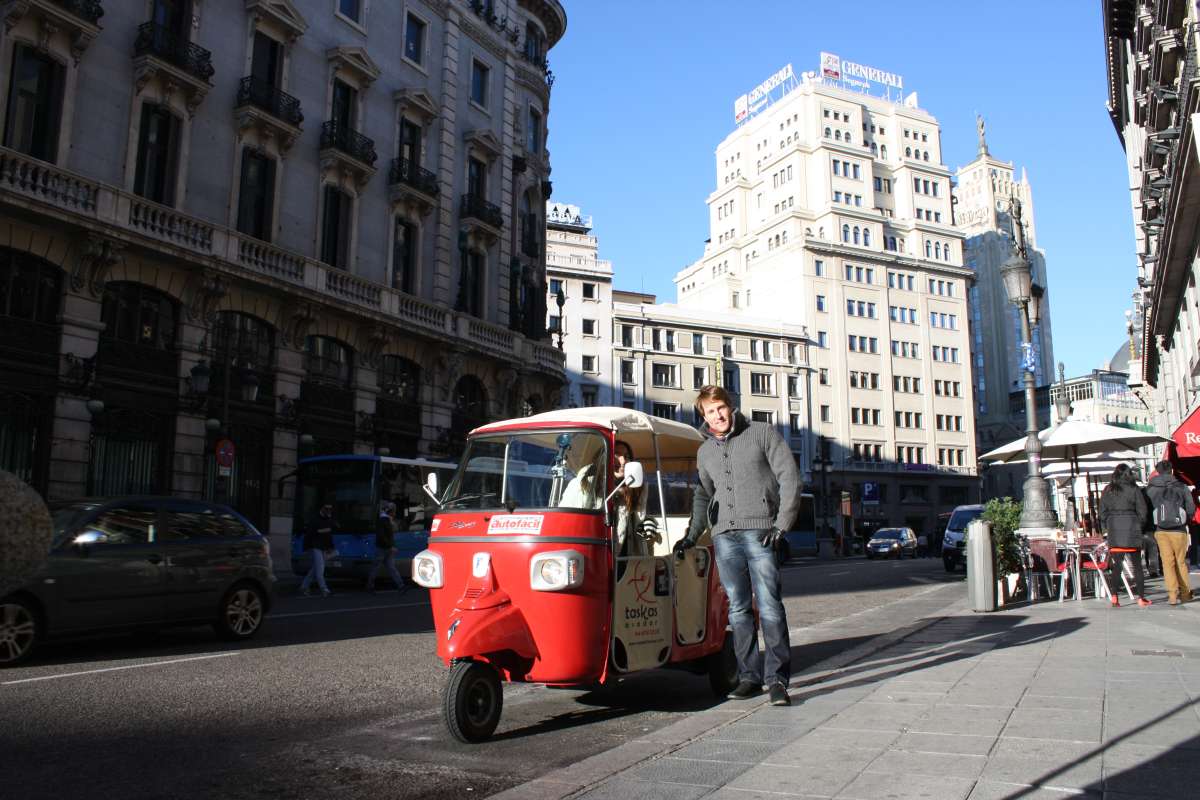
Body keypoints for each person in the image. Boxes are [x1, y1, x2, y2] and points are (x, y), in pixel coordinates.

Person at [674, 385, 801, 707]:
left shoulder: (762, 433)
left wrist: (781, 524)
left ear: (730, 407)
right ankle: (749, 677)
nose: (717, 416)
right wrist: (692, 535)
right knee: (738, 609)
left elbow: (789, 477)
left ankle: (777, 681)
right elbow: (703, 495)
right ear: (703, 416)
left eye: (721, 408)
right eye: (710, 412)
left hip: (760, 532)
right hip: (724, 536)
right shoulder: (704, 452)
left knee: (770, 605)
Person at [1099, 464, 1151, 607]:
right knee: (1137, 566)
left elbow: (1102, 512)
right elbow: (1143, 511)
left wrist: (1107, 526)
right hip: (1132, 528)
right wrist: (1139, 526)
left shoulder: (1108, 490)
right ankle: (1141, 598)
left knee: (1117, 566)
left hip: (1114, 530)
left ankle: (1115, 596)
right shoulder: (1134, 489)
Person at [1146, 460, 1196, 605]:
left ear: (1157, 472)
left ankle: (1172, 595)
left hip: (1160, 530)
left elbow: (1147, 509)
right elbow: (1191, 508)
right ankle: (1185, 594)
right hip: (1179, 529)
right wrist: (1186, 520)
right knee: (1181, 561)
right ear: (1171, 471)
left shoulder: (1151, 488)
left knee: (1167, 563)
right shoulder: (1181, 486)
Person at [612, 440, 655, 556]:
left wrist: (648, 524)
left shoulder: (637, 487)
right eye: (616, 455)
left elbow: (641, 516)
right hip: (605, 553)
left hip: (630, 555)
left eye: (626, 456)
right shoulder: (594, 487)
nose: (623, 461)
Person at [366, 501, 408, 594]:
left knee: (381, 567)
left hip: (384, 547)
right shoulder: (384, 520)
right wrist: (391, 546)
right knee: (387, 567)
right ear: (390, 512)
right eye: (394, 511)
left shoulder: (386, 520)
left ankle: (400, 585)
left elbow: (385, 535)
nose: (395, 513)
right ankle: (401, 586)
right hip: (383, 548)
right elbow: (383, 536)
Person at [300, 501, 338, 597]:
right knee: (320, 569)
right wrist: (306, 548)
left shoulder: (328, 520)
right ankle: (325, 590)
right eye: (327, 510)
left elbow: (328, 536)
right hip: (315, 547)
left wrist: (330, 547)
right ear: (323, 510)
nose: (329, 512)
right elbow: (309, 535)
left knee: (315, 568)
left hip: (323, 548)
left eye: (330, 510)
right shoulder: (315, 520)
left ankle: (304, 586)